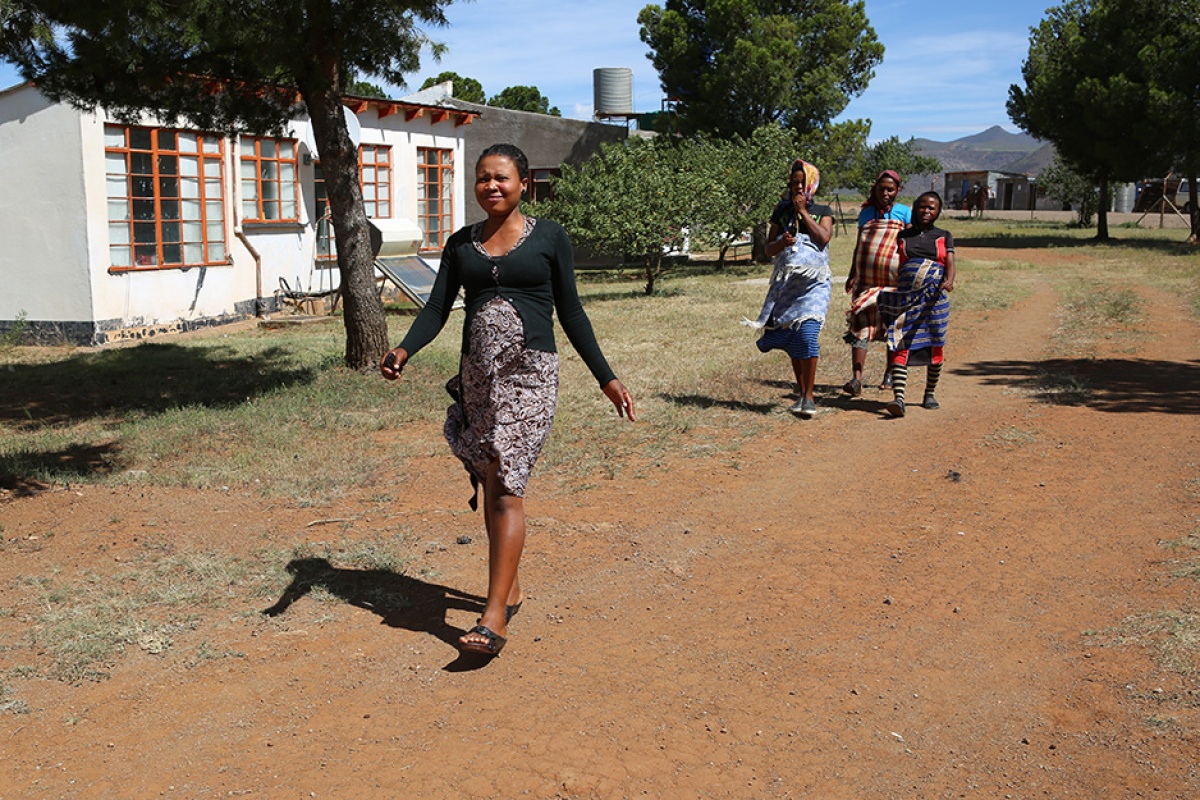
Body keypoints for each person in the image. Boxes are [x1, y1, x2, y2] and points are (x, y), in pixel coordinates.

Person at [380, 143, 635, 656]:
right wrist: (404, 349)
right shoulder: (461, 244)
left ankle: (493, 617)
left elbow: (572, 312)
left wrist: (605, 377)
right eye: (483, 178)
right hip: (479, 377)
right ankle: (510, 588)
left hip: (530, 375)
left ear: (522, 184)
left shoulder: (550, 237)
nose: (491, 186)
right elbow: (437, 308)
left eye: (501, 177)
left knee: (507, 484)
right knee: (492, 478)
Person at [745, 158, 833, 419]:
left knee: (808, 336)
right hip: (787, 286)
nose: (798, 186)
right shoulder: (781, 212)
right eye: (794, 182)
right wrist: (782, 242)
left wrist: (803, 211)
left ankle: (810, 396)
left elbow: (823, 238)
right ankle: (802, 394)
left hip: (814, 285)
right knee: (794, 339)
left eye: (803, 182)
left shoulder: (823, 210)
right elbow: (768, 249)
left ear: (812, 183)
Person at [877, 191, 956, 417]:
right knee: (900, 341)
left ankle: (929, 393)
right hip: (907, 298)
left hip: (934, 300)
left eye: (931, 208)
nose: (926, 211)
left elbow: (950, 262)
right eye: (922, 206)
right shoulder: (903, 236)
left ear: (938, 211)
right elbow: (896, 263)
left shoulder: (944, 236)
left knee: (935, 343)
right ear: (915, 208)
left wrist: (949, 280)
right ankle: (899, 398)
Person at [842, 170, 911, 397]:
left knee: (892, 326)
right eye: (882, 189)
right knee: (860, 323)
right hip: (866, 281)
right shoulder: (866, 213)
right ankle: (856, 378)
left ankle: (889, 375)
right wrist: (852, 273)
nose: (885, 193)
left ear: (897, 190)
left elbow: (909, 244)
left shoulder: (904, 212)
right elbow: (860, 245)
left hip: (894, 282)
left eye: (890, 189)